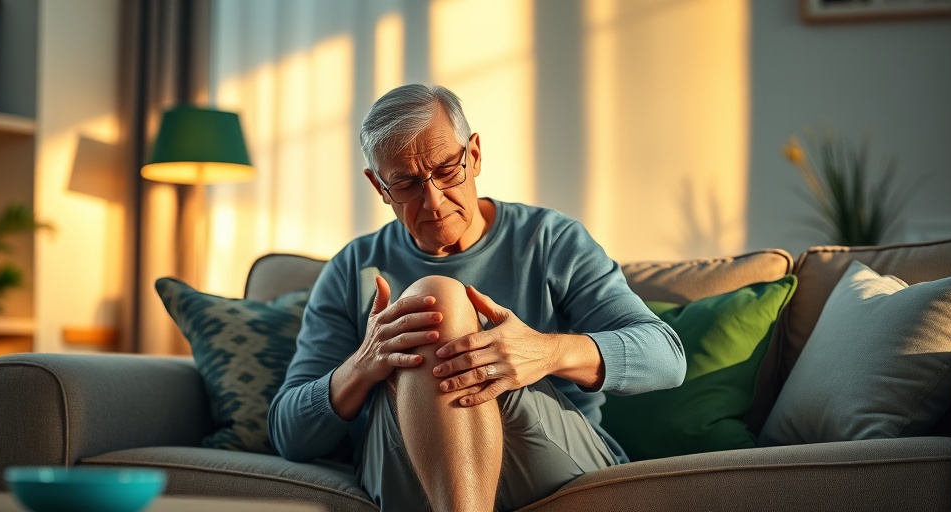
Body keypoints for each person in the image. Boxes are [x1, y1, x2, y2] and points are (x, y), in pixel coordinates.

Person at [269, 84, 686, 512]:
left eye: (448, 170)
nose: (433, 202)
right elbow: (289, 434)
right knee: (436, 301)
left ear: (475, 154)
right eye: (407, 183)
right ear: (378, 185)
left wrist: (545, 353)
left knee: (436, 299)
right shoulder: (353, 267)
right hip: (405, 467)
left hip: (551, 460)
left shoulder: (549, 240)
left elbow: (666, 357)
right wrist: (365, 364)